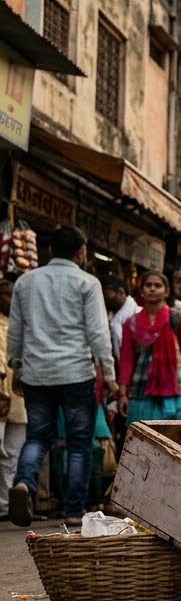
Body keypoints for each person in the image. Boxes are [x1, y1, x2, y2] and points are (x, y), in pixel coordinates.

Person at [6, 226, 117, 528]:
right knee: (79, 443)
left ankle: (23, 484)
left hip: (37, 374)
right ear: (81, 253)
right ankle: (72, 509)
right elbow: (97, 333)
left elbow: (16, 332)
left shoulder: (26, 283)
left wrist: (17, 366)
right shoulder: (87, 282)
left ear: (50, 251)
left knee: (38, 436)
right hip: (76, 374)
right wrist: (109, 374)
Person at [116, 272, 181, 423]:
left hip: (174, 391)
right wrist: (122, 393)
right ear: (141, 291)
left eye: (158, 286)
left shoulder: (177, 319)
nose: (152, 289)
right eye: (148, 285)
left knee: (169, 440)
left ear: (166, 292)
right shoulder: (131, 323)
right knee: (140, 441)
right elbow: (126, 360)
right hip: (140, 391)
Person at [0, 280, 24, 520]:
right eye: (7, 296)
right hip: (2, 395)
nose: (11, 301)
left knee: (14, 454)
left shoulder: (19, 325)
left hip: (18, 399)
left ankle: (6, 506)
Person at [102, 275, 139, 359]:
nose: (103, 299)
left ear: (120, 292)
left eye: (105, 294)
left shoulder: (138, 315)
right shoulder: (107, 319)